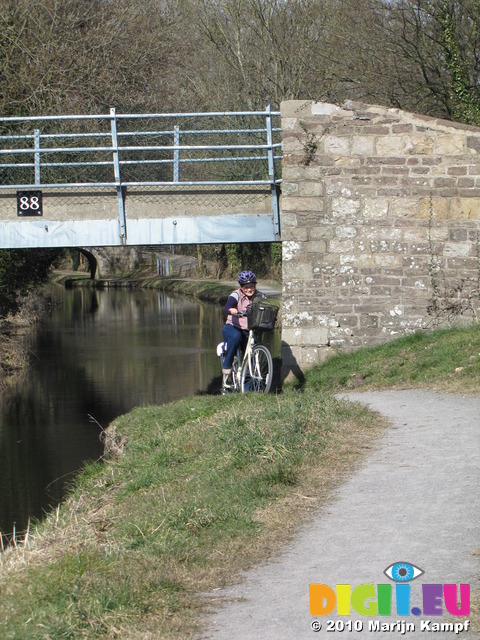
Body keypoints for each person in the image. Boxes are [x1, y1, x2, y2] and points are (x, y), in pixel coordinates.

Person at [221, 270, 266, 385]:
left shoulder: (259, 295)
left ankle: (246, 387)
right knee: (236, 337)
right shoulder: (236, 294)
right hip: (232, 326)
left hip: (249, 329)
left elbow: (266, 305)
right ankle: (227, 365)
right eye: (246, 287)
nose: (250, 289)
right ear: (241, 287)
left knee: (252, 348)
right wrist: (232, 309)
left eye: (252, 286)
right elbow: (228, 306)